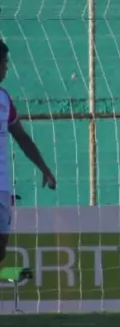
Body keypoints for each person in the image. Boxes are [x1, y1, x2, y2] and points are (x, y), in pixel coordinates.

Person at [0, 39, 57, 264]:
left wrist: (44, 168)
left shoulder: (4, 99)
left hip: (2, 186)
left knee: (1, 248)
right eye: (3, 62)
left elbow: (21, 136)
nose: (6, 67)